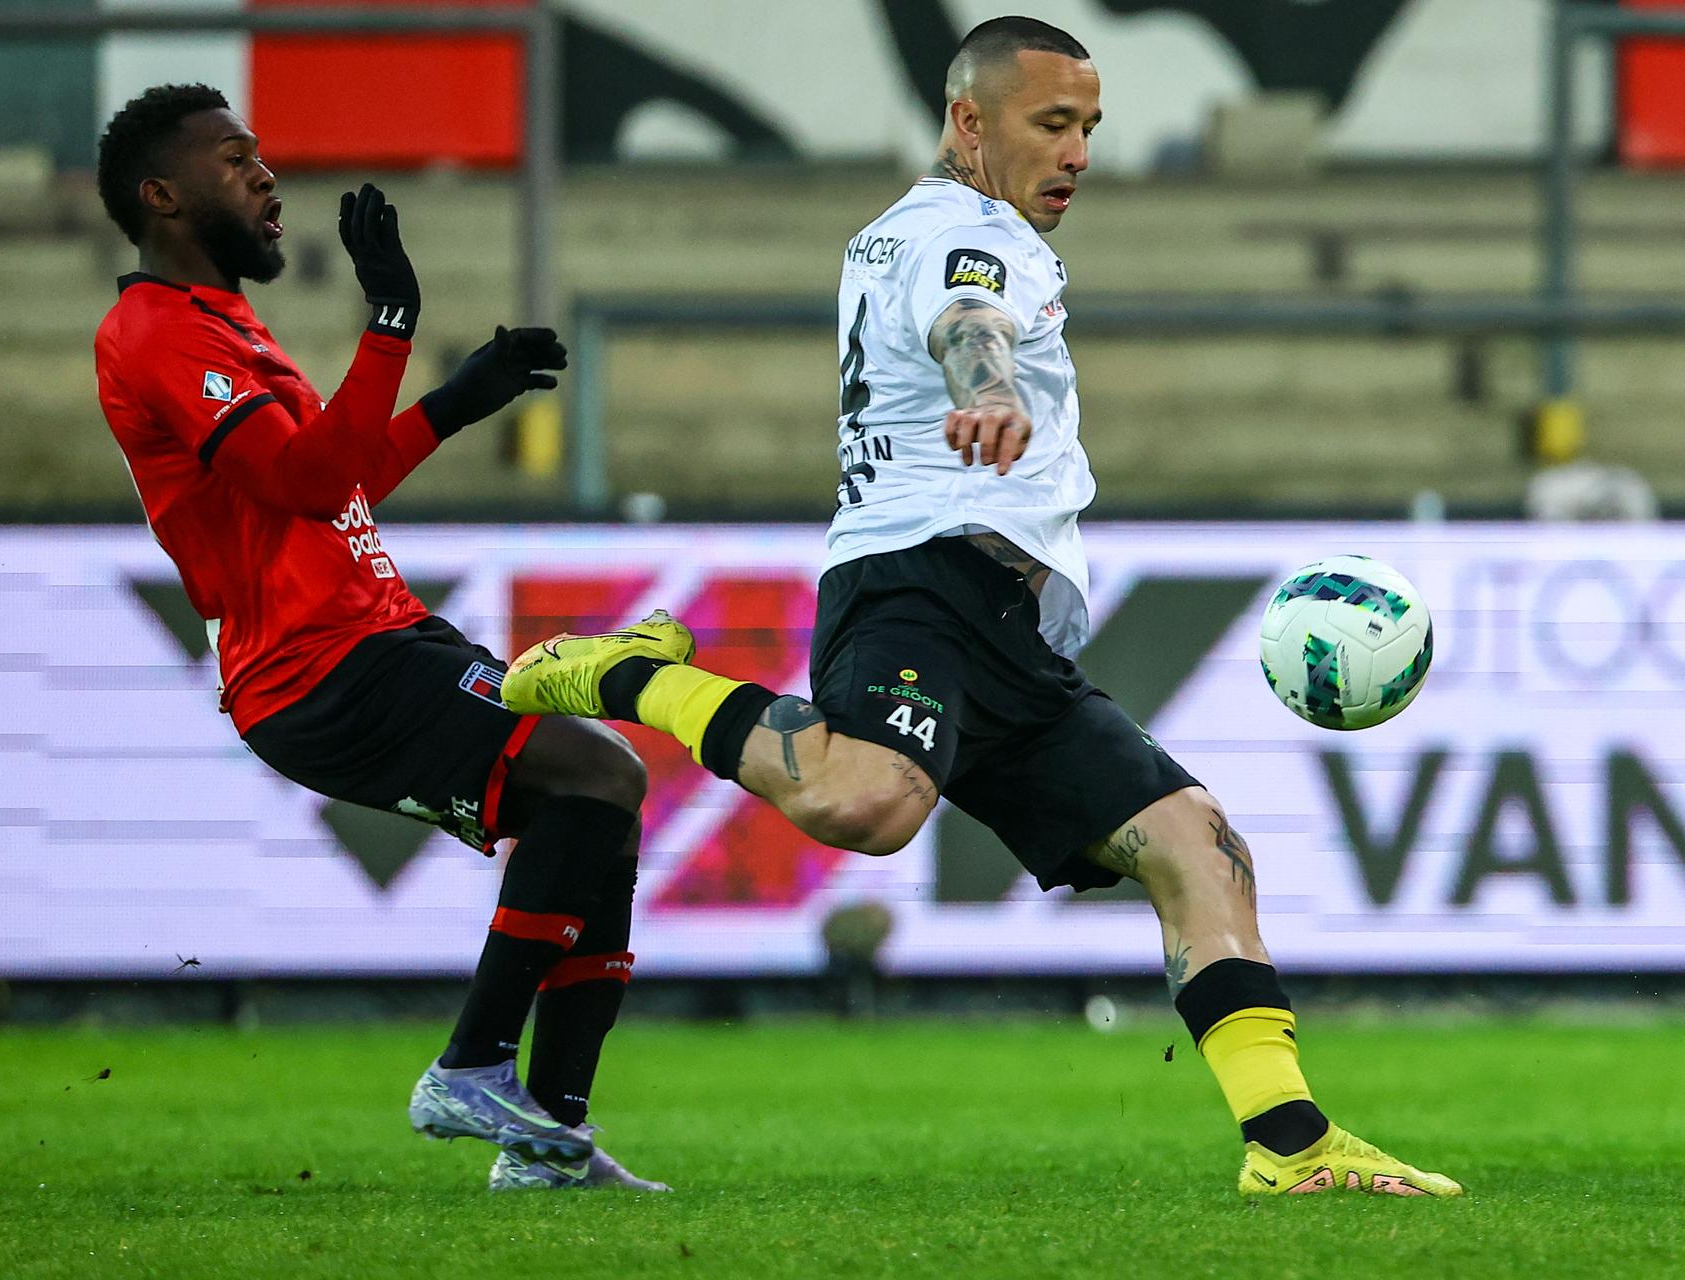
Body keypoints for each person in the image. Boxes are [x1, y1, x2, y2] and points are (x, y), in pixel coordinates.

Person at [502, 19, 1459, 1198]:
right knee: (868, 799)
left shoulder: (928, 231)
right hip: (919, 580)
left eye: (1090, 129)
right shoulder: (960, 234)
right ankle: (623, 674)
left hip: (1014, 632)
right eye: (1052, 124)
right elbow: (970, 323)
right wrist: (992, 388)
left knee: (1196, 844)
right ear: (970, 121)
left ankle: (1292, 1145)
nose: (1078, 152)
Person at [92, 84, 663, 1193]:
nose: (264, 176)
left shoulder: (227, 325)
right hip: (317, 668)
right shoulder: (149, 330)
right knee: (593, 770)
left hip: (377, 632)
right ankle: (473, 1064)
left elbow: (336, 483)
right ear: (163, 195)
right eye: (233, 159)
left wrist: (457, 399)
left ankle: (549, 1139)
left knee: (603, 797)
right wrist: (391, 315)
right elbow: (304, 478)